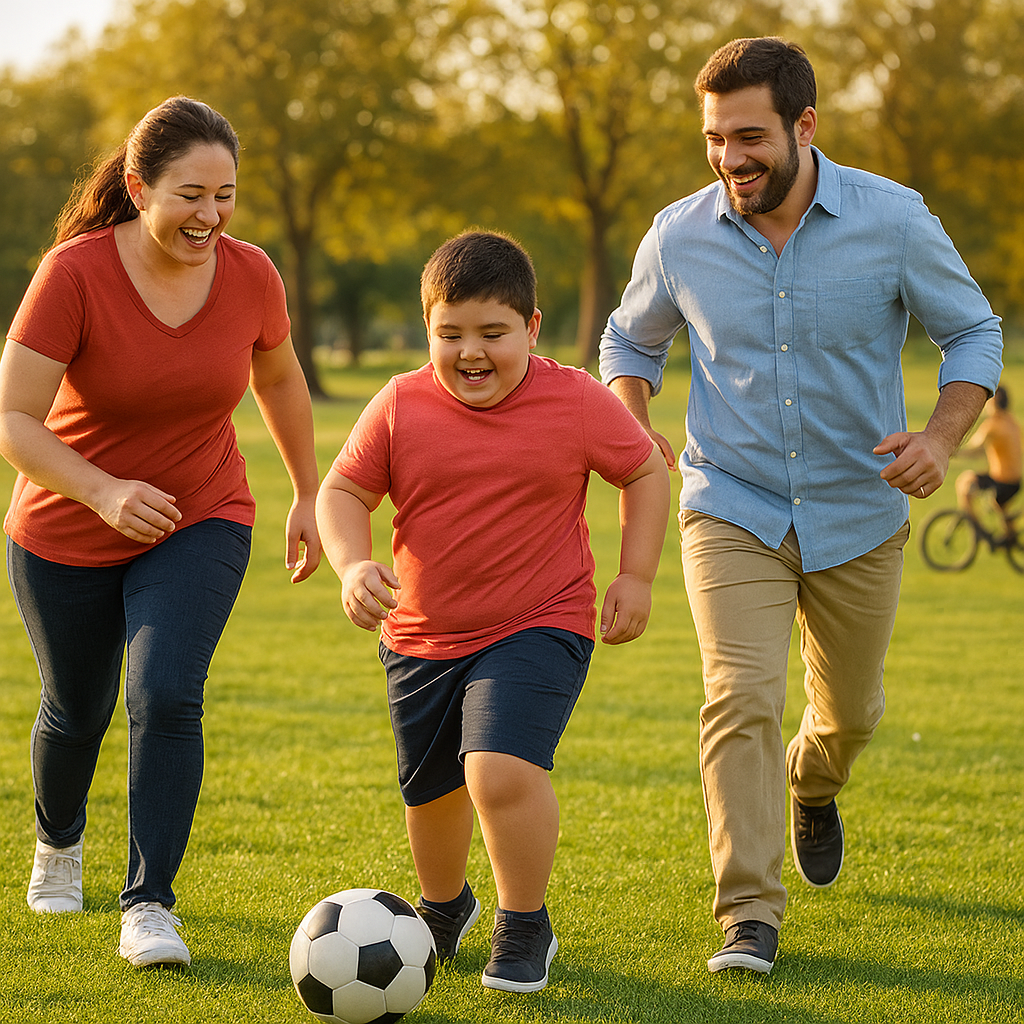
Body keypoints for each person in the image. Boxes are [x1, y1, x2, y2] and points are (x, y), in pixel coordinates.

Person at [599, 37, 1002, 974]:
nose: (730, 159)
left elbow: (974, 329)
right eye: (713, 138)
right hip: (729, 504)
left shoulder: (893, 220)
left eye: (749, 137)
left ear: (803, 125)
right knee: (739, 695)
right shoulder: (678, 234)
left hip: (860, 509)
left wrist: (939, 439)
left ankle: (813, 789)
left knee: (851, 713)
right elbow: (629, 340)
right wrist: (633, 425)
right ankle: (747, 909)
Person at [0, 96, 322, 967]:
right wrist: (102, 492)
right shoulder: (74, 274)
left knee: (167, 694)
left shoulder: (252, 274)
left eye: (225, 195)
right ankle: (58, 843)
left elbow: (282, 381)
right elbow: (15, 421)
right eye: (190, 194)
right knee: (77, 708)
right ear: (139, 188)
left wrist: (306, 493)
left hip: (201, 515)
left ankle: (149, 903)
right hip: (64, 526)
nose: (210, 215)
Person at [316, 230, 669, 993]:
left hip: (540, 620)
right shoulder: (401, 404)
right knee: (432, 792)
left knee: (497, 769)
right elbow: (342, 491)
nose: (470, 352)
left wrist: (635, 574)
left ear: (532, 328)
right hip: (420, 633)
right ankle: (445, 907)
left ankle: (522, 923)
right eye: (450, 334)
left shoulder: (575, 399)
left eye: (492, 333)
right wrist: (352, 565)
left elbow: (643, 469)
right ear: (428, 330)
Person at [954, 385, 1021, 525]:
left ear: (994, 400)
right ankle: (1010, 538)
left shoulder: (992, 425)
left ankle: (976, 529)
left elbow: (974, 448)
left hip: (1002, 480)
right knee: (1000, 506)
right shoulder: (1013, 422)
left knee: (965, 483)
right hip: (1016, 481)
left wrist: (953, 451)